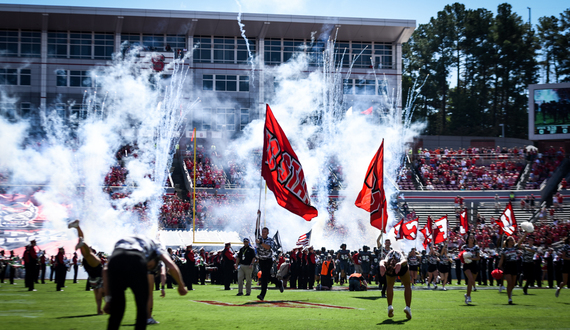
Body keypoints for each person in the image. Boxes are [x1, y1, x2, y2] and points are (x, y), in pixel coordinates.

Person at [103, 236, 188, 330]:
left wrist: (108, 299)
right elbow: (171, 266)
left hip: (116, 261)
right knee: (142, 310)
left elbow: (105, 270)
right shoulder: (156, 245)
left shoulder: (122, 242)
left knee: (116, 312)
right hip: (137, 260)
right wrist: (181, 285)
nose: (149, 268)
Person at [69, 219, 106, 314]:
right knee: (87, 254)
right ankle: (80, 237)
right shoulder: (106, 291)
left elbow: (99, 296)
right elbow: (100, 295)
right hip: (96, 270)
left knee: (86, 253)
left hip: (92, 272)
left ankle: (77, 227)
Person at [380, 249, 412, 320]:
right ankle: (407, 308)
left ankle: (390, 307)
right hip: (401, 266)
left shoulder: (389, 256)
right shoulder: (398, 253)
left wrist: (381, 265)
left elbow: (383, 261)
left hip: (391, 267)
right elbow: (405, 260)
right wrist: (399, 263)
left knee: (389, 286)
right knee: (407, 286)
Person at [255, 225, 284, 301]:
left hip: (268, 260)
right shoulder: (259, 238)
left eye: (265, 232)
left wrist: (261, 242)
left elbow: (268, 247)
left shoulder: (270, 240)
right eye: (262, 232)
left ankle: (262, 295)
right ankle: (279, 283)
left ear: (267, 233)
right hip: (261, 260)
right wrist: (258, 216)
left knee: (264, 277)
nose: (263, 233)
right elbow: (256, 229)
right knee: (267, 276)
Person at [498, 234, 526, 304]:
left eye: (513, 240)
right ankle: (509, 298)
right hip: (508, 265)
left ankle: (509, 292)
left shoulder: (515, 247)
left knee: (513, 284)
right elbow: (502, 259)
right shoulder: (504, 250)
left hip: (514, 265)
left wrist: (525, 233)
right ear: (507, 242)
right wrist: (498, 267)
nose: (512, 241)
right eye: (511, 240)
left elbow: (521, 240)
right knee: (509, 283)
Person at [462, 232, 481, 304]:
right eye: (470, 238)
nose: (472, 239)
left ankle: (467, 295)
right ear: (468, 239)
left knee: (470, 282)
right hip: (466, 265)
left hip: (474, 264)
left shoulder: (476, 247)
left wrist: (471, 258)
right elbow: (460, 256)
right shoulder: (464, 247)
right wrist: (465, 259)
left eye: (473, 238)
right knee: (470, 279)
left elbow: (478, 258)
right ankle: (472, 291)